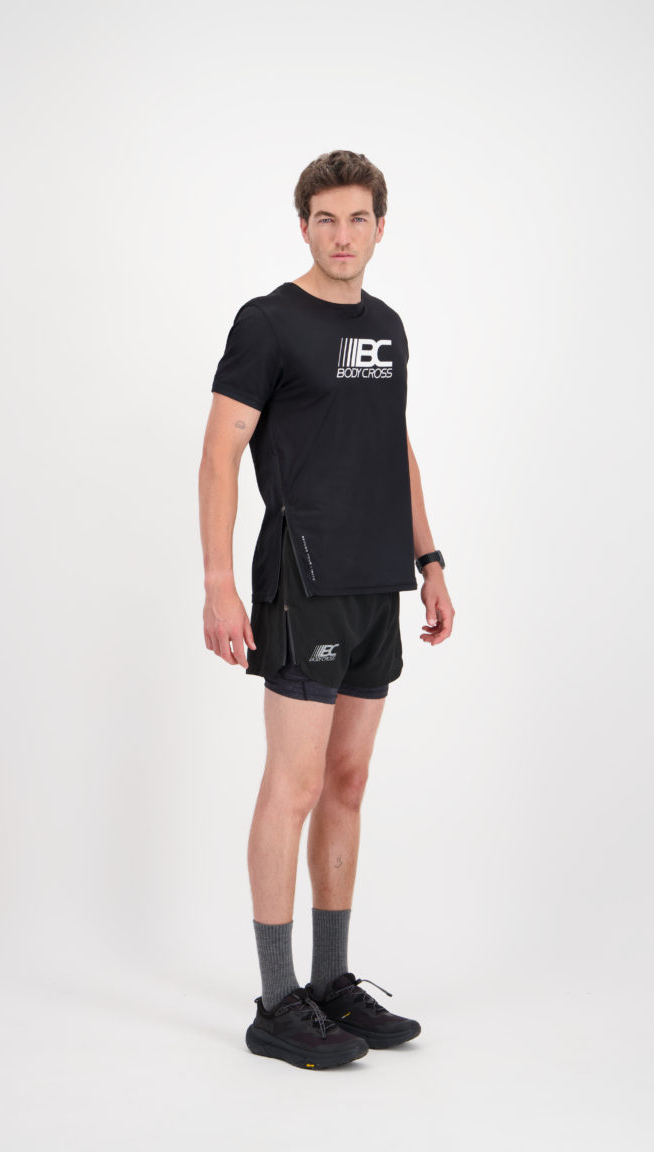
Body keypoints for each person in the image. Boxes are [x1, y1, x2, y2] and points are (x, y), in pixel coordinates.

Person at [198, 150, 455, 1070]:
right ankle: (277, 1002)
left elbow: (396, 447)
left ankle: (332, 981)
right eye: (326, 219)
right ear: (303, 225)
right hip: (301, 581)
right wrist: (219, 582)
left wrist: (429, 558)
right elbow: (220, 453)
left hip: (377, 579)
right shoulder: (268, 323)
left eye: (358, 220)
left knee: (348, 782)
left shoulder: (387, 326)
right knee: (295, 784)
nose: (342, 236)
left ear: (381, 228)